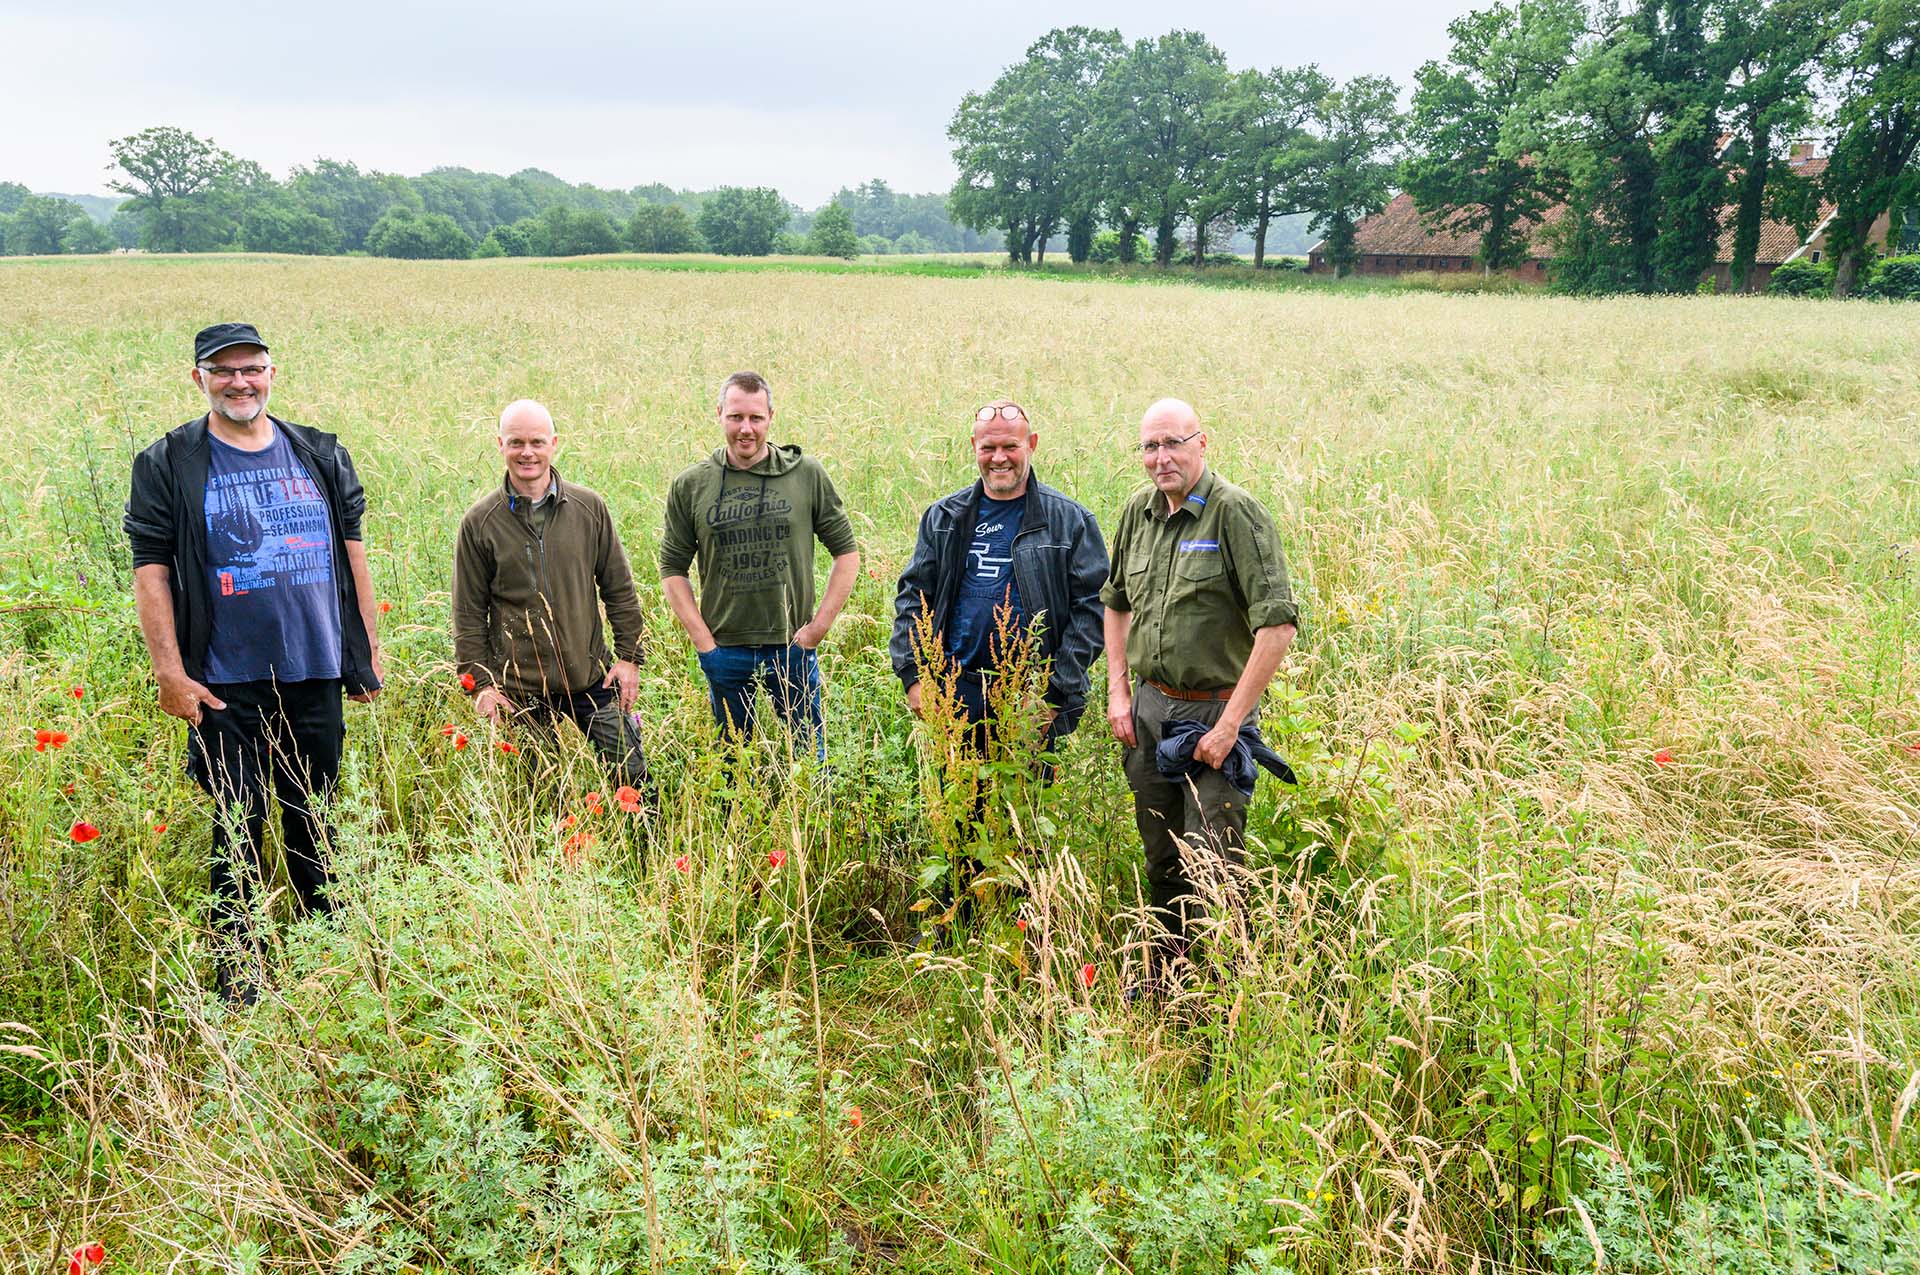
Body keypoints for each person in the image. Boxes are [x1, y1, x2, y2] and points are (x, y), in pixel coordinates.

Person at [125, 322, 383, 1000]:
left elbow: (352, 555)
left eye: (253, 368)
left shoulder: (319, 452)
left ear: (271, 373)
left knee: (315, 816)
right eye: (224, 370)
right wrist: (170, 673)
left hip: (315, 669)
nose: (240, 381)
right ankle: (239, 981)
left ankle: (327, 961)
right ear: (199, 379)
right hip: (222, 680)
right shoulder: (169, 461)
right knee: (237, 824)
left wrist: (364, 652)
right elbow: (150, 571)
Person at [1100, 398, 1298, 978]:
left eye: (1174, 443)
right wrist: (1119, 694)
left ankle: (1219, 1002)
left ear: (1202, 443)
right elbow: (1115, 606)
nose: (1162, 458)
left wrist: (1231, 724)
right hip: (1149, 710)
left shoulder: (1236, 514)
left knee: (1212, 868)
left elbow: (1277, 626)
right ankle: (1165, 982)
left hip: (1213, 717)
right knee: (1161, 859)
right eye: (1150, 447)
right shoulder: (1139, 511)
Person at [660, 371, 860, 761]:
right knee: (734, 762)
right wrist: (705, 644)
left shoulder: (806, 474)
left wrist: (817, 630)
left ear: (771, 416)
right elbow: (672, 568)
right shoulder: (692, 484)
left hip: (792, 648)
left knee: (809, 760)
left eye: (755, 418)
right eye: (735, 417)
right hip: (726, 650)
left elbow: (847, 553)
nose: (746, 429)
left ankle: (811, 821)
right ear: (719, 415)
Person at [451, 400, 650, 792]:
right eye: (517, 442)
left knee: (633, 780)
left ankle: (646, 848)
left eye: (537, 442)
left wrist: (629, 657)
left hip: (591, 675)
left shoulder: (588, 508)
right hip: (520, 688)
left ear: (554, 444)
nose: (528, 453)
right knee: (540, 799)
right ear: (500, 445)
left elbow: (619, 588)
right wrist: (483, 684)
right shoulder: (480, 523)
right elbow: (468, 611)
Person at [890, 399, 1107, 748]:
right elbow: (913, 599)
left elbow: (1094, 610)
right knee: (958, 800)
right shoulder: (944, 517)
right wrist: (914, 679)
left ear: (1031, 444)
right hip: (957, 694)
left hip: (1032, 697)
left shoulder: (1070, 522)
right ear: (974, 446)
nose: (999, 458)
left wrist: (1053, 695)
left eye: (1011, 446)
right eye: (988, 447)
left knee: (1026, 800)